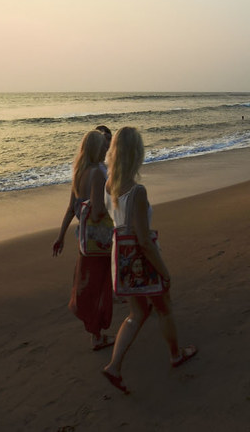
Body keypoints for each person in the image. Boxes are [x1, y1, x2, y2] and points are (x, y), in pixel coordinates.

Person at [102, 127, 196, 395]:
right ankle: (176, 355)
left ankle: (114, 365)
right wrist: (164, 271)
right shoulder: (137, 191)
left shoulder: (108, 183)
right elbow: (143, 239)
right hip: (142, 260)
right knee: (163, 307)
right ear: (136, 153)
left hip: (120, 258)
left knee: (137, 313)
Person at [52, 128, 115, 351]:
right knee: (100, 285)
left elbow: (71, 209)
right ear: (98, 148)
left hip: (83, 239)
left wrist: (60, 237)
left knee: (87, 284)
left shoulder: (79, 172)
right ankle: (97, 335)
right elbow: (98, 210)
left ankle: (95, 332)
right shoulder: (99, 172)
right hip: (99, 239)